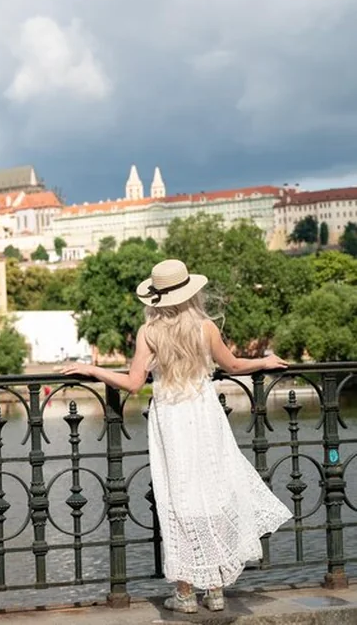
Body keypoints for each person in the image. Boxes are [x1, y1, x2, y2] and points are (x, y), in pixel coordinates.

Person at [60, 259, 291, 613]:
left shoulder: (149, 333)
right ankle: (215, 590)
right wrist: (265, 361)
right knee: (212, 493)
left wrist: (92, 368)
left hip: (169, 415)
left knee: (178, 498)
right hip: (203, 412)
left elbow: (134, 383)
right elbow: (232, 366)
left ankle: (184, 594)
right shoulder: (206, 327)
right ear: (190, 291)